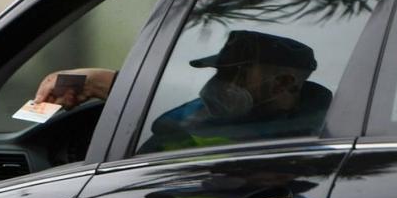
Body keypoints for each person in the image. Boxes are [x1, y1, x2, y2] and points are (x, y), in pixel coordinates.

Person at [33, 30, 329, 152]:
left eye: (234, 74)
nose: (216, 86)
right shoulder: (194, 120)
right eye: (218, 73)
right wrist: (100, 82)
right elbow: (159, 105)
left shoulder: (322, 134)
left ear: (284, 84)